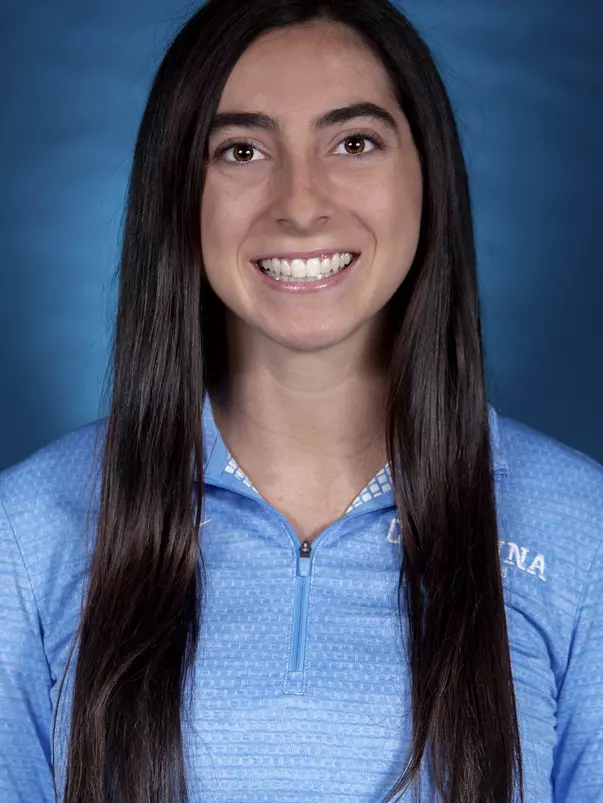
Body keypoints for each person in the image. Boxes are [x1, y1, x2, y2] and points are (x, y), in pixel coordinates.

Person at [1, 0, 601, 800]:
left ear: (429, 174)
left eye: (354, 143)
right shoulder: (28, 530)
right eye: (241, 150)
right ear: (177, 189)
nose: (301, 203)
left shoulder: (579, 532)